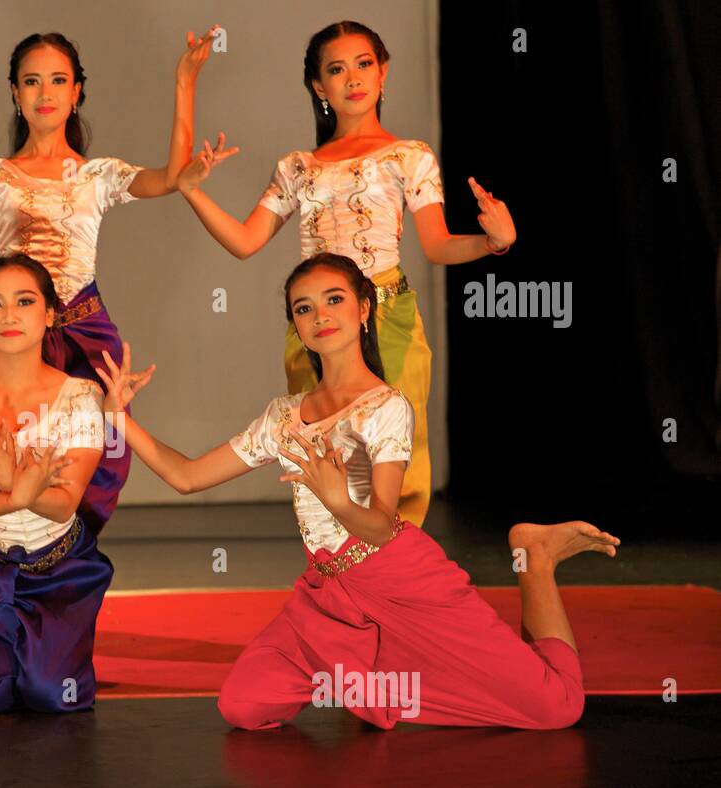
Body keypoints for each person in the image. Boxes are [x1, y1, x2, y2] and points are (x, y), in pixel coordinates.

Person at [94, 253, 618, 731]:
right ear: (296, 327)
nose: (319, 314)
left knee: (556, 708)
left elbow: (384, 522)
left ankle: (537, 557)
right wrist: (120, 419)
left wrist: (340, 500)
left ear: (364, 308)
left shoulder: (386, 407)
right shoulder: (282, 416)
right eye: (304, 308)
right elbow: (186, 477)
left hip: (401, 578)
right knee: (245, 706)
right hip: (325, 592)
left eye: (334, 299)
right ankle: (370, 674)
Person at [0, 24, 218, 534]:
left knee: (100, 456)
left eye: (58, 80)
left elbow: (168, 177)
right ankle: (16, 561)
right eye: (32, 81)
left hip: (87, 332)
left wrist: (185, 83)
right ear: (15, 93)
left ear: (77, 92)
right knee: (13, 449)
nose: (45, 92)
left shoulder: (99, 175)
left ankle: (70, 562)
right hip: (20, 336)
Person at [175, 20, 517, 527]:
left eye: (363, 65)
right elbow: (246, 242)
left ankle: (397, 578)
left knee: (397, 451)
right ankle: (335, 571)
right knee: (318, 448)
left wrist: (495, 242)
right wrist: (192, 190)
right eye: (337, 69)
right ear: (319, 86)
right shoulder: (298, 166)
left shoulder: (410, 156)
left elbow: (438, 245)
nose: (353, 78)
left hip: (388, 315)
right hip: (316, 324)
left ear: (382, 73)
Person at [0, 255, 111, 714]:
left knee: (52, 697)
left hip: (62, 568)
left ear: (49, 314)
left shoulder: (82, 396)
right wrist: (26, 488)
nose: (9, 315)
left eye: (24, 301)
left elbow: (64, 504)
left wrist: (9, 482)